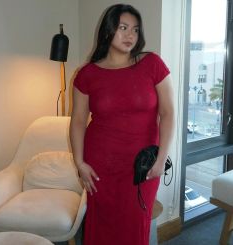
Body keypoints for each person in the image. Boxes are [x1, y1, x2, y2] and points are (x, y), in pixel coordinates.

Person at [70, 4, 174, 245]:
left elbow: (168, 113)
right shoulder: (87, 74)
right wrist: (79, 163)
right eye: (123, 28)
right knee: (102, 223)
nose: (130, 36)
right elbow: (77, 121)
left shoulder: (152, 64)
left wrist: (162, 159)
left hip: (142, 165)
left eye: (135, 30)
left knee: (136, 223)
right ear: (108, 31)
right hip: (101, 165)